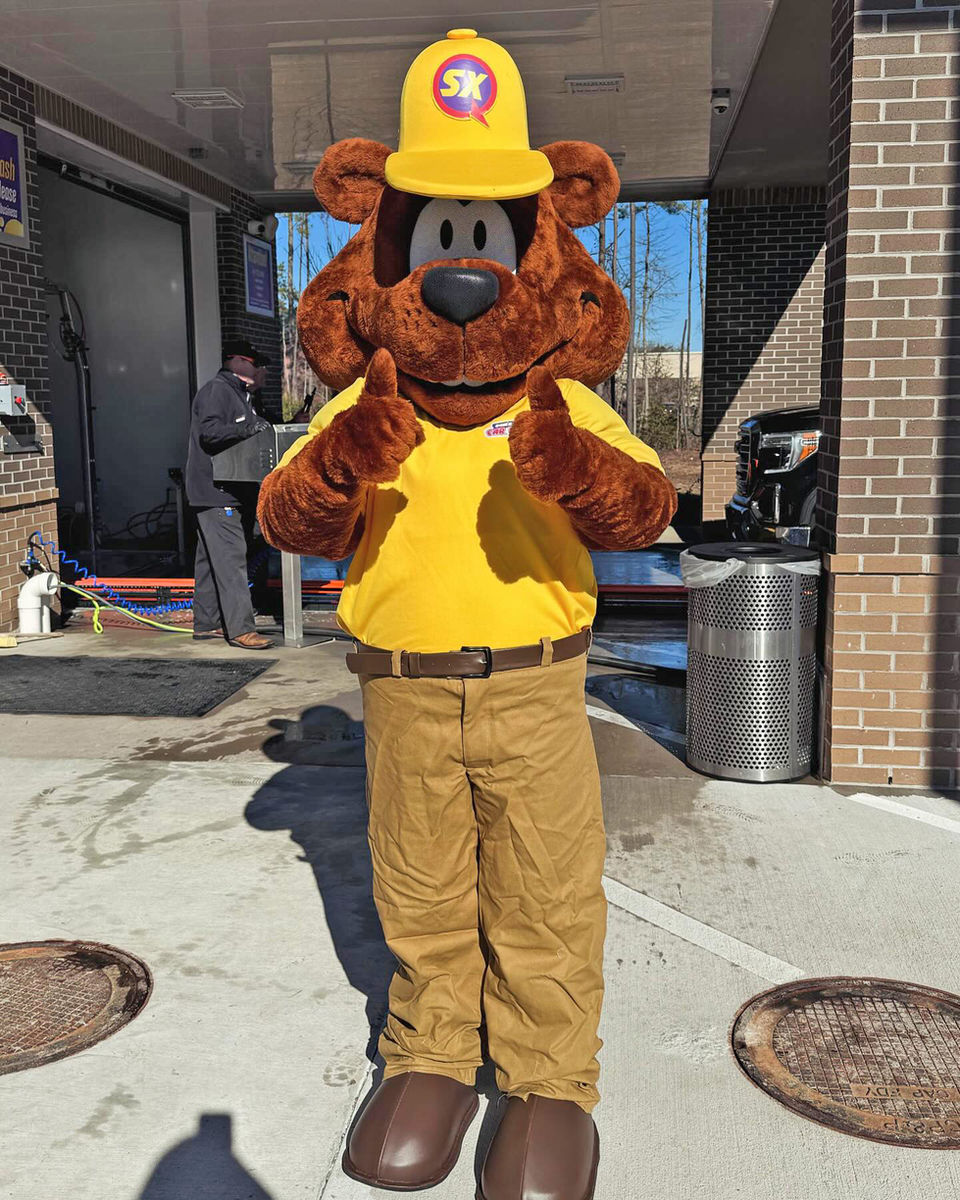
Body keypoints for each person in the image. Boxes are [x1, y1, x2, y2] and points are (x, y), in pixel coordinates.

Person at [185, 339, 275, 649]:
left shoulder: (244, 396)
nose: (259, 369)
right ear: (235, 361)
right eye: (254, 363)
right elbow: (209, 433)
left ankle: (206, 623)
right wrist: (247, 428)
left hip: (225, 492)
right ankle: (241, 630)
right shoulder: (217, 390)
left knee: (211, 561)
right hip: (216, 492)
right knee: (232, 559)